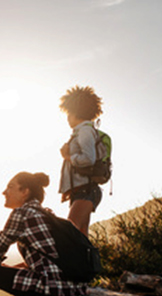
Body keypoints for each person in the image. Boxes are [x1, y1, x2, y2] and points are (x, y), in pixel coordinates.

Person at [58, 85, 104, 236]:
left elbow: (88, 159)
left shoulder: (85, 131)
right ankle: (87, 261)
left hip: (86, 190)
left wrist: (67, 157)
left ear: (75, 112)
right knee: (80, 238)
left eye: (69, 113)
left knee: (69, 234)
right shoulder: (83, 132)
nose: (67, 118)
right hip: (83, 191)